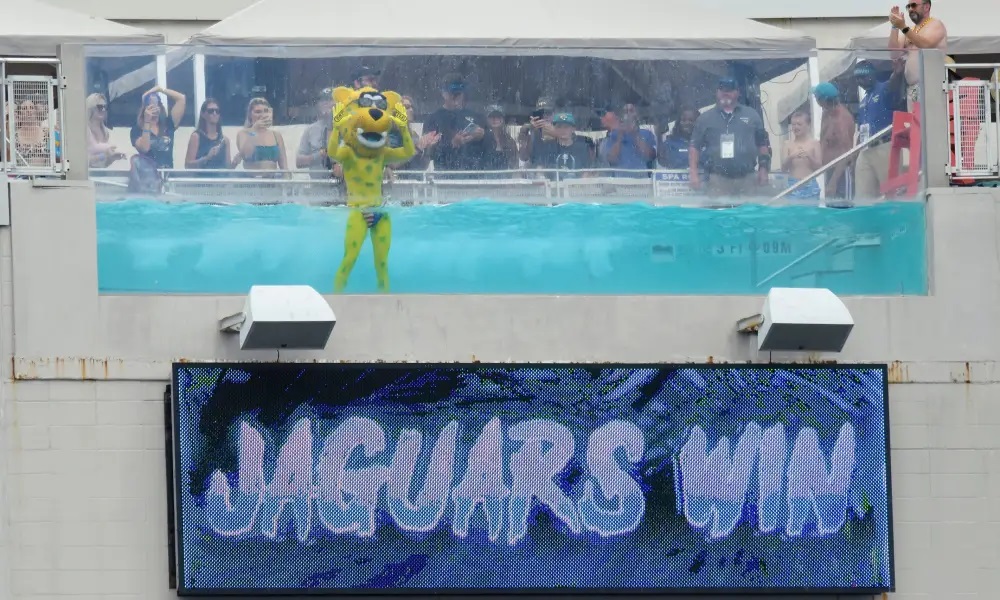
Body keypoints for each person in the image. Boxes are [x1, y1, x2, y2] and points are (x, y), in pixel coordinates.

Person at [327, 86, 414, 293]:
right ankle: (336, 299)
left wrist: (403, 128)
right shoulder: (348, 152)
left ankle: (383, 301)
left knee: (382, 264)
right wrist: (337, 128)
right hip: (357, 211)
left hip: (380, 212)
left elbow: (408, 152)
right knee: (349, 259)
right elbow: (332, 152)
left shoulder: (382, 153)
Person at [689, 78, 771, 198]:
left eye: (730, 90)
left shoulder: (752, 115)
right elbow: (694, 147)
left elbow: (762, 145)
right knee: (719, 215)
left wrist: (763, 170)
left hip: (747, 178)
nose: (725, 93)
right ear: (717, 92)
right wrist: (693, 173)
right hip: (717, 179)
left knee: (748, 214)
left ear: (738, 92)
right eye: (722, 90)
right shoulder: (705, 118)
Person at [853, 60, 904, 199]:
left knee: (891, 193)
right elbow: (862, 126)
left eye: (862, 77)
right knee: (863, 195)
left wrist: (897, 73)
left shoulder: (884, 89)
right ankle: (867, 220)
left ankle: (894, 219)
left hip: (885, 146)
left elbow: (893, 85)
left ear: (871, 75)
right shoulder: (864, 100)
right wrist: (856, 150)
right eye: (857, 78)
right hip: (866, 149)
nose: (860, 81)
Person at [889, 1, 947, 111]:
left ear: (926, 7)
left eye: (914, 5)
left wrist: (903, 27)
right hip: (912, 89)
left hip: (929, 87)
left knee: (928, 126)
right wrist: (894, 27)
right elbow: (894, 54)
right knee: (915, 127)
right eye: (908, 6)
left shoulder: (936, 24)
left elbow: (925, 44)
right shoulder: (911, 30)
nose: (910, 9)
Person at [422, 74, 487, 172]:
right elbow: (428, 153)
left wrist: (483, 136)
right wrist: (452, 144)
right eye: (452, 93)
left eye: (459, 93)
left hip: (473, 175)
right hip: (445, 175)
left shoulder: (476, 117)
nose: (455, 97)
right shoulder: (433, 119)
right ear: (443, 93)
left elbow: (492, 147)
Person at [812, 82, 856, 199]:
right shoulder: (827, 113)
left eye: (816, 97)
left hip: (841, 172)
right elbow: (824, 141)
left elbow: (846, 153)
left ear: (823, 100)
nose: (815, 99)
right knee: (831, 213)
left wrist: (833, 182)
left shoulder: (842, 120)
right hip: (829, 170)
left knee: (843, 212)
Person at [130, 86, 186, 169]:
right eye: (150, 105)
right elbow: (144, 148)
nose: (154, 107)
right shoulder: (137, 129)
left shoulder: (168, 123)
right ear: (144, 109)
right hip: (147, 176)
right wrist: (147, 122)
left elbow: (181, 99)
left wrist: (161, 89)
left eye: (157, 104)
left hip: (167, 174)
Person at [597, 104, 657, 178]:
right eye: (625, 111)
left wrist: (635, 134)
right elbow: (611, 160)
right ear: (620, 116)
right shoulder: (610, 138)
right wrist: (620, 137)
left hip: (643, 183)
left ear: (637, 115)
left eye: (631, 111)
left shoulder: (647, 134)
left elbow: (651, 156)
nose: (628, 114)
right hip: (620, 184)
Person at [234, 97, 288, 175]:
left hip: (272, 182)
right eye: (258, 112)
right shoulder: (243, 133)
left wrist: (287, 181)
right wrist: (254, 130)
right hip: (252, 182)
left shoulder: (276, 135)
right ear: (250, 114)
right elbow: (246, 154)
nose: (262, 115)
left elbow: (284, 167)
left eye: (265, 112)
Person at [530, 112, 594, 178]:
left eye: (566, 127)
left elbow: (586, 172)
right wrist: (541, 177)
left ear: (573, 129)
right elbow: (540, 168)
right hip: (552, 186)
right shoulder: (547, 146)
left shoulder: (582, 148)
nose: (563, 130)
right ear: (554, 128)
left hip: (575, 187)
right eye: (559, 127)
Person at [782, 110, 822, 200]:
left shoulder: (814, 144)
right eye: (793, 124)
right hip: (793, 184)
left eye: (799, 124)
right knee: (794, 213)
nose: (796, 127)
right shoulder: (787, 144)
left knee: (811, 213)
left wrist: (809, 156)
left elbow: (819, 167)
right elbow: (783, 168)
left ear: (808, 125)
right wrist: (791, 157)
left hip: (810, 184)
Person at [185, 98, 231, 176]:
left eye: (217, 111)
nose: (214, 113)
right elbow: (188, 166)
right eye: (210, 111)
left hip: (221, 184)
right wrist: (206, 158)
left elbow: (228, 169)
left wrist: (236, 162)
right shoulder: (196, 137)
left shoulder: (224, 140)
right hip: (202, 183)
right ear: (203, 114)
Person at [297, 87, 334, 179]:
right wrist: (318, 156)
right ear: (317, 105)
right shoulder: (310, 130)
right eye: (321, 100)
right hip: (318, 188)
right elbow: (298, 162)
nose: (326, 103)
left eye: (330, 99)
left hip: (344, 188)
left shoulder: (348, 126)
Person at [85, 93, 124, 168]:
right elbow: (84, 160)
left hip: (100, 173)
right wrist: (105, 154)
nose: (103, 110)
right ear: (90, 108)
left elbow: (104, 163)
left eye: (105, 107)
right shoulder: (84, 130)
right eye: (100, 107)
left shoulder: (105, 131)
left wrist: (112, 157)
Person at [480, 104, 518, 172]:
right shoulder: (481, 139)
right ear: (487, 119)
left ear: (503, 119)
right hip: (485, 179)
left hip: (505, 179)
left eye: (498, 116)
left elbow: (514, 165)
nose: (495, 119)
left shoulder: (510, 141)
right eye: (491, 116)